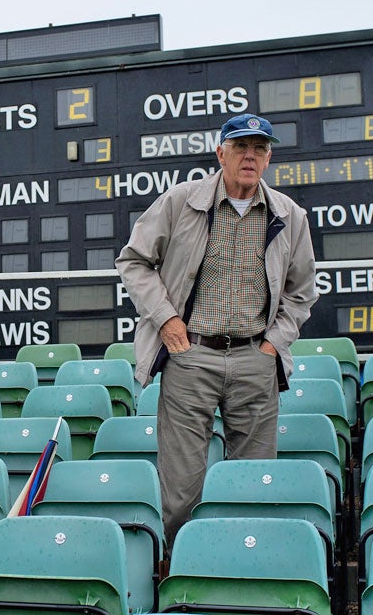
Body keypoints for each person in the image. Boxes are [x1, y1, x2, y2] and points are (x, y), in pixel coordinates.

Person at [115, 112, 318, 548]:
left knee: (252, 485)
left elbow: (302, 292)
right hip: (192, 358)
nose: (251, 155)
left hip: (255, 360)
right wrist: (167, 321)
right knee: (182, 489)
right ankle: (185, 571)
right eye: (241, 146)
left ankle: (242, 571)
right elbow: (133, 261)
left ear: (268, 158)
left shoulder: (290, 215)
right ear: (220, 152)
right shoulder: (181, 201)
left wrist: (272, 345)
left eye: (260, 148)